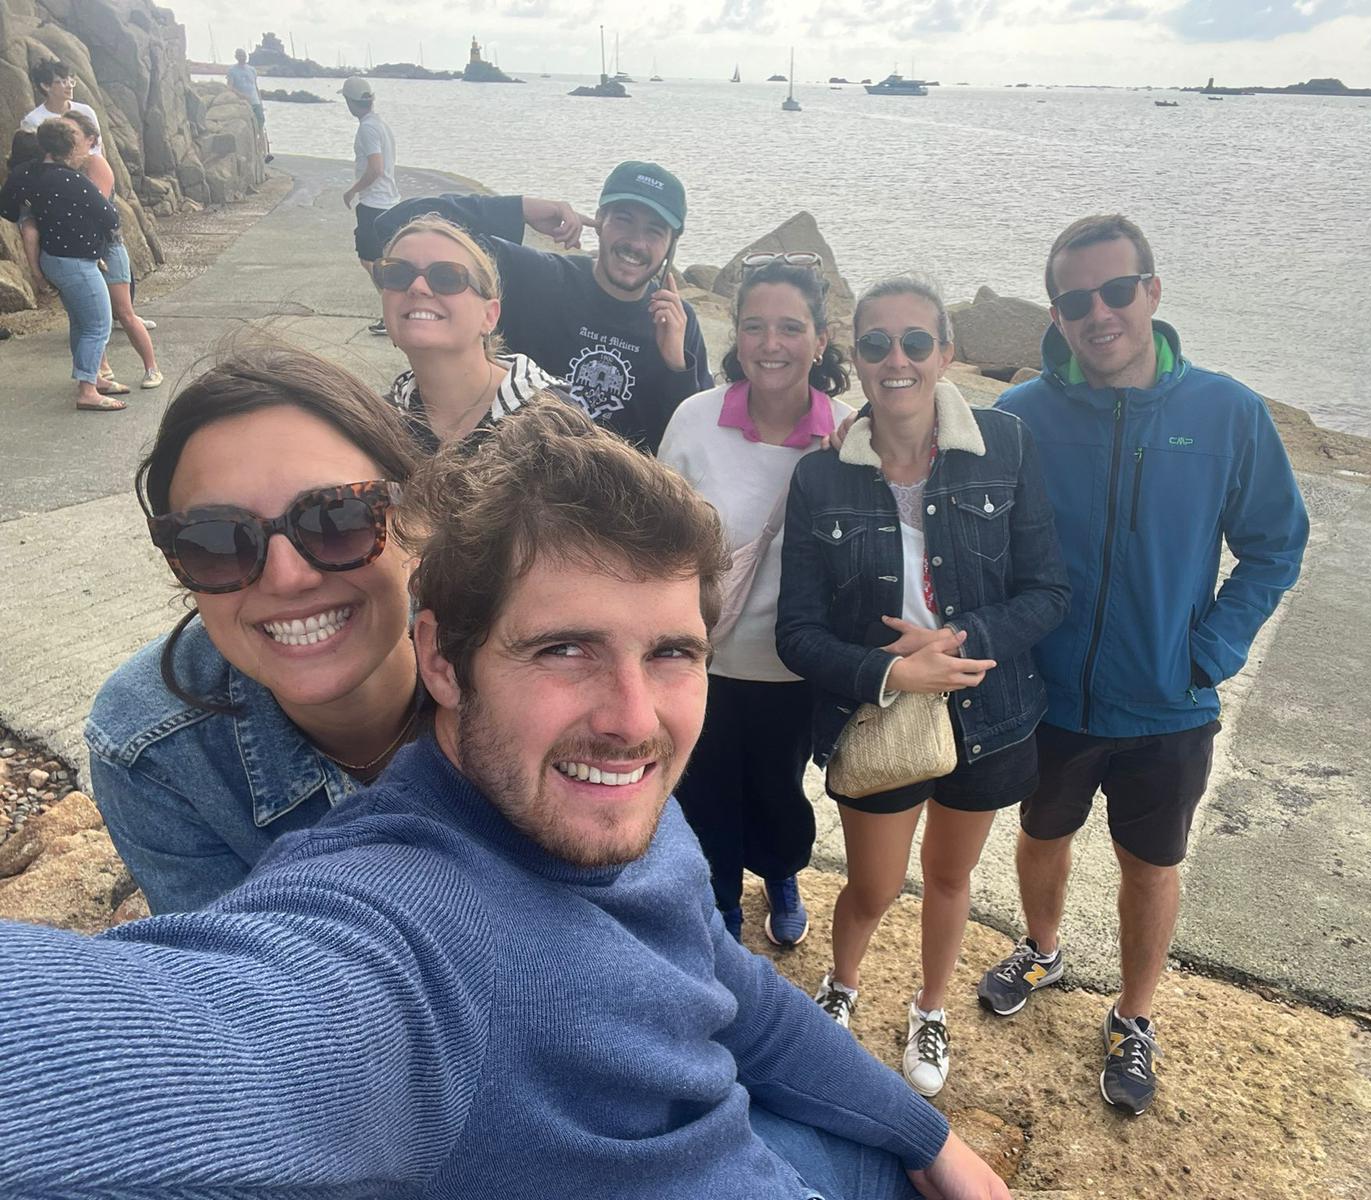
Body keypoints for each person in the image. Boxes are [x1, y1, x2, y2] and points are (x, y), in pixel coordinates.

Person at [2, 405, 1009, 1200]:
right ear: (443, 661)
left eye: (671, 653)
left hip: (765, 1141)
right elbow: (213, 1036)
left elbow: (722, 979)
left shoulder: (608, 800)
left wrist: (928, 1136)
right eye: (563, 649)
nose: (632, 722)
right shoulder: (407, 930)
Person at [982, 213, 1309, 1117]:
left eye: (1117, 291)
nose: (1100, 314)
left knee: (1150, 864)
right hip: (1050, 696)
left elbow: (1276, 544)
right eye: (1076, 300)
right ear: (1056, 315)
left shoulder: (1226, 412)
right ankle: (1043, 951)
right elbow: (971, 529)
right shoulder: (1021, 417)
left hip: (1169, 702)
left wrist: (1211, 650)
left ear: (1152, 292)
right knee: (1041, 834)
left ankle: (1134, 1016)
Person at [776, 278, 1069, 1099]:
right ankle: (841, 986)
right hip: (876, 711)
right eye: (876, 344)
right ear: (856, 356)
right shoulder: (820, 477)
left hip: (987, 711)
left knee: (948, 877)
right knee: (872, 886)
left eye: (914, 342)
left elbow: (1048, 591)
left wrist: (958, 641)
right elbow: (796, 632)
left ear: (946, 353)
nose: (895, 359)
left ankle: (931, 1008)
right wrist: (894, 671)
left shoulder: (1005, 445)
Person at [87, 344, 424, 914]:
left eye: (337, 519)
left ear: (415, 525)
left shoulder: (525, 655)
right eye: (217, 541)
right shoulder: (154, 749)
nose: (288, 579)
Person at [658, 255, 852, 946]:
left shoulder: (848, 434)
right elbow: (658, 537)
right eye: (754, 326)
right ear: (736, 335)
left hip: (796, 664)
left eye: (791, 327)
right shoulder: (696, 419)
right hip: (703, 654)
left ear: (821, 339)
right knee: (703, 790)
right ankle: (721, 908)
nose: (771, 343)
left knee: (780, 790)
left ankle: (779, 872)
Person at [372, 160, 712, 453]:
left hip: (621, 499)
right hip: (517, 481)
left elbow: (693, 444)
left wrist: (678, 367)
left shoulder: (677, 322)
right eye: (623, 220)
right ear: (599, 221)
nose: (636, 242)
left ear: (672, 244)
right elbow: (398, 227)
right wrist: (519, 209)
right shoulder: (540, 278)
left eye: (654, 231)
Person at [378, 214, 573, 453]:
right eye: (397, 274)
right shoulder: (379, 423)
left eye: (446, 277)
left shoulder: (555, 424)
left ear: (489, 316)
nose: (417, 287)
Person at [0, 118, 122, 411]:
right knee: (98, 325)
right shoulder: (73, 180)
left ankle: (90, 378)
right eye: (78, 145)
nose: (83, 152)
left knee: (81, 322)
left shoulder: (28, 173)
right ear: (67, 149)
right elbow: (110, 217)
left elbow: (7, 207)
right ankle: (88, 390)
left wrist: (30, 213)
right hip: (77, 262)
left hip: (52, 259)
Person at [60, 109, 162, 391]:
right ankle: (100, 369)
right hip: (80, 250)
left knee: (123, 312)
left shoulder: (95, 163)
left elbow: (97, 206)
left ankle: (151, 367)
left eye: (73, 132)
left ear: (90, 139)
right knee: (84, 317)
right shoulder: (60, 167)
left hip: (107, 247)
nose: (66, 137)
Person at [339, 75, 399, 337]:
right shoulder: (380, 124)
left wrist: (353, 189)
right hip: (388, 202)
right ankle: (393, 312)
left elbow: (376, 168)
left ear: (350, 102)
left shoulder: (367, 129)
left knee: (371, 261)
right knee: (380, 260)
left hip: (375, 203)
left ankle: (392, 313)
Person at [18, 59, 102, 156]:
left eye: (71, 81)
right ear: (45, 86)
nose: (69, 86)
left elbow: (98, 145)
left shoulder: (86, 111)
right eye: (63, 82)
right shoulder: (33, 120)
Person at [226, 48, 272, 164]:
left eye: (244, 55)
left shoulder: (252, 70)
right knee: (250, 128)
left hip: (255, 102)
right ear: (236, 57)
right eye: (240, 55)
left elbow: (255, 86)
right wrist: (241, 95)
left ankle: (265, 153)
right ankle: (254, 152)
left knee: (260, 126)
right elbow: (230, 87)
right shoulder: (232, 70)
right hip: (244, 103)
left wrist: (260, 102)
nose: (243, 57)